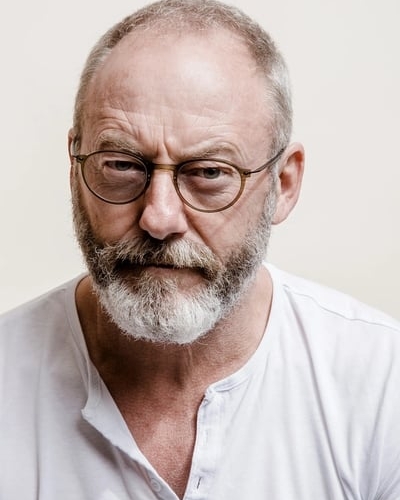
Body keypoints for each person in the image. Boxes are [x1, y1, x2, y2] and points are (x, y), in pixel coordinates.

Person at [0, 0, 399, 498]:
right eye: (121, 165)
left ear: (284, 184)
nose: (159, 218)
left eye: (210, 172)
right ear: (75, 168)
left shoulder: (382, 388)